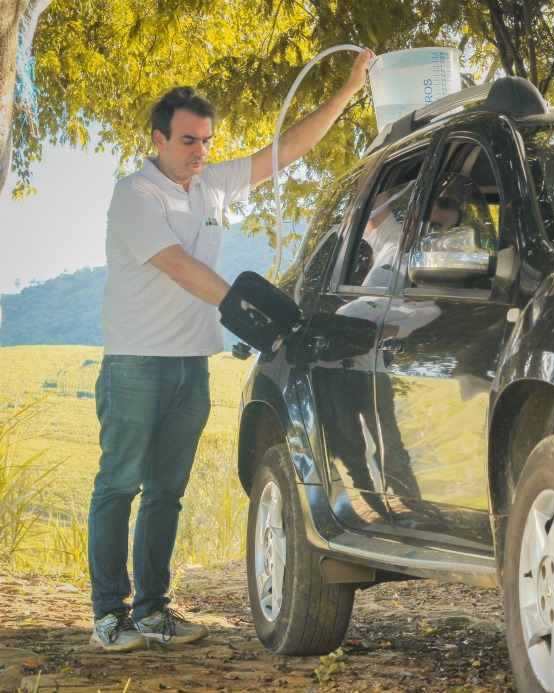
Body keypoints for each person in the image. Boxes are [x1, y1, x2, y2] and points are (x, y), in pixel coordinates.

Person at [87, 48, 376, 652]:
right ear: (159, 138)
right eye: (189, 141)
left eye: (207, 141)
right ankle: (108, 616)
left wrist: (348, 89)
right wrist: (255, 309)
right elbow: (179, 266)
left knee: (166, 491)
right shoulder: (134, 195)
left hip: (193, 366)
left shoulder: (211, 186)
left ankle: (152, 612)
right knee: (119, 486)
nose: (201, 152)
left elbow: (286, 150)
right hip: (136, 364)